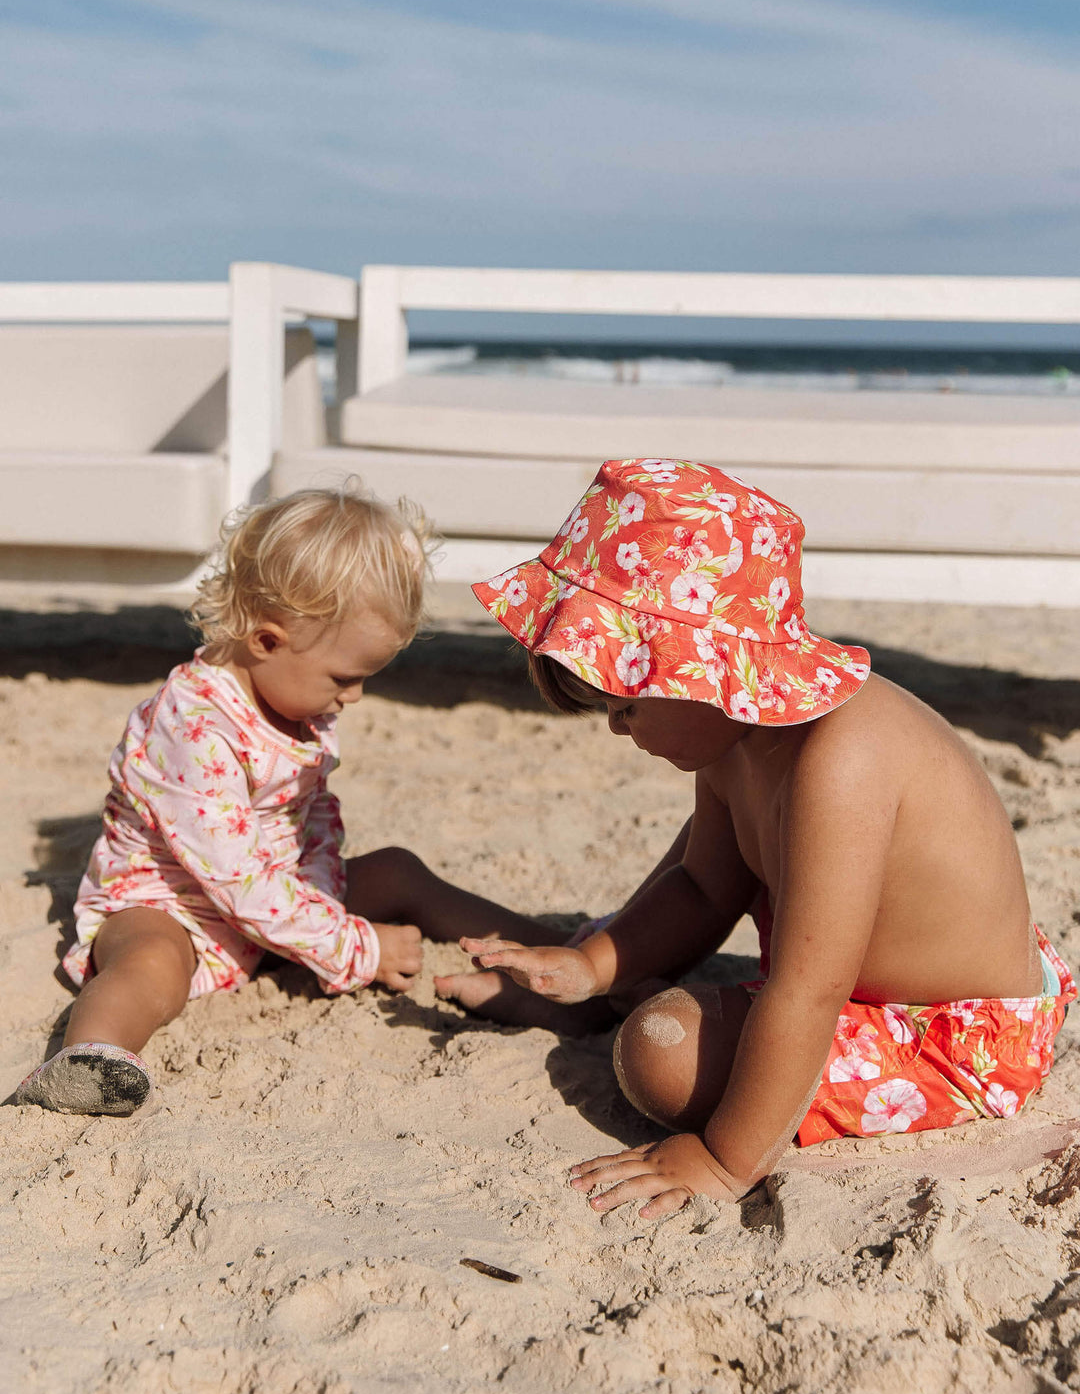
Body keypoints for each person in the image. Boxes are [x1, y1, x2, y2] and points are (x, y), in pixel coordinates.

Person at [449, 458, 1075, 1220]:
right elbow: (703, 888)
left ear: (702, 667)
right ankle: (598, 995)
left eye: (625, 698)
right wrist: (592, 963)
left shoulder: (844, 759)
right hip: (846, 992)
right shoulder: (737, 739)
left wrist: (722, 1159)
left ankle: (635, 1022)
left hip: (953, 1034)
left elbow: (812, 990)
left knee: (663, 1050)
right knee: (655, 987)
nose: (616, 725)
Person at [17, 486, 561, 1117]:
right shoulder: (192, 727)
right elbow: (237, 881)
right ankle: (92, 1058)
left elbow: (313, 811)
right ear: (267, 641)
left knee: (399, 870)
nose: (354, 697)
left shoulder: (292, 697)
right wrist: (358, 946)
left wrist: (326, 894)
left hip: (284, 896)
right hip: (177, 905)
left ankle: (555, 953)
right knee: (150, 963)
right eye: (345, 677)